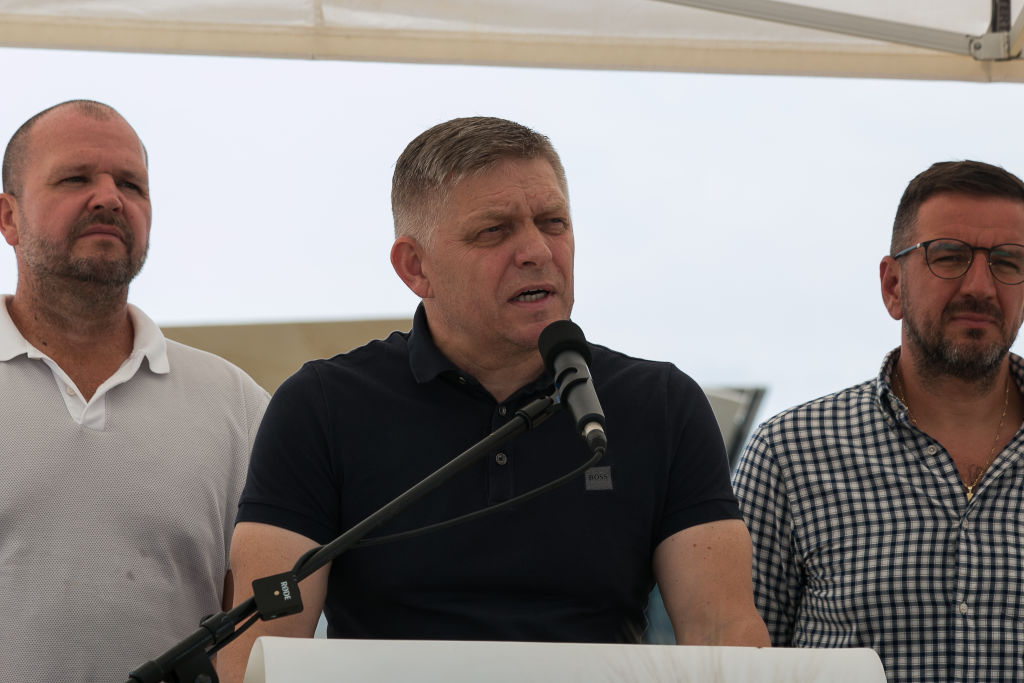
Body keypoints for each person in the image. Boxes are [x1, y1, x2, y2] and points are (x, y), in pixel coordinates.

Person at [219, 115, 768, 681]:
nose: (537, 250)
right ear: (416, 267)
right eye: (494, 231)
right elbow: (260, 648)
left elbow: (723, 632)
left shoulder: (661, 404)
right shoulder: (322, 406)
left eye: (553, 222)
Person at [0, 100, 269, 682]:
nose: (108, 197)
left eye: (131, 184)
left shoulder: (235, 403)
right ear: (8, 217)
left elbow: (255, 617)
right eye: (75, 178)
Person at [733, 160, 1024, 681]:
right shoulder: (789, 454)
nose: (980, 285)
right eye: (950, 256)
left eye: (1008, 262)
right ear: (893, 285)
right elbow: (741, 667)